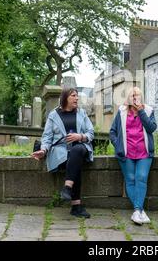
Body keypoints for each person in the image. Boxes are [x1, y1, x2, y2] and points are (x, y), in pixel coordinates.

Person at [31, 88, 94, 218]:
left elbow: (91, 133)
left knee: (77, 151)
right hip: (61, 152)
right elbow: (47, 137)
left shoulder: (82, 113)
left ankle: (67, 187)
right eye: (74, 96)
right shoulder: (53, 115)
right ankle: (76, 206)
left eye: (77, 96)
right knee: (74, 162)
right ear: (65, 98)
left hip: (81, 147)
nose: (77, 98)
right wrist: (43, 150)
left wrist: (80, 136)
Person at [109, 86, 157, 225]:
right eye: (132, 95)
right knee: (130, 180)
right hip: (126, 153)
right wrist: (117, 144)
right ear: (128, 97)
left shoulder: (148, 110)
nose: (135, 97)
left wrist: (141, 110)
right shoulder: (122, 111)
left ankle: (137, 210)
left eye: (138, 95)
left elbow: (152, 128)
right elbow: (112, 132)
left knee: (141, 178)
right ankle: (140, 211)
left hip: (144, 152)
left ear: (141, 97)